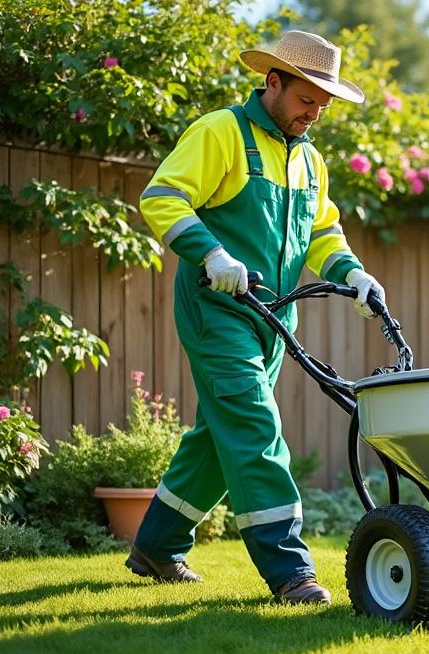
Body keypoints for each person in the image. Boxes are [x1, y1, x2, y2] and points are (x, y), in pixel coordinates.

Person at [129, 30, 385, 604]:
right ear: (274, 82)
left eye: (323, 105)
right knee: (254, 427)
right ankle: (290, 570)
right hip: (215, 307)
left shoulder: (310, 161)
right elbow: (162, 195)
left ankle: (156, 548)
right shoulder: (221, 132)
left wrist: (353, 274)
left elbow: (322, 233)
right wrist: (211, 252)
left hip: (274, 319)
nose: (314, 113)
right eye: (306, 100)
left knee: (218, 438)